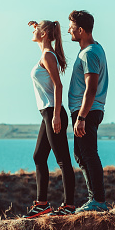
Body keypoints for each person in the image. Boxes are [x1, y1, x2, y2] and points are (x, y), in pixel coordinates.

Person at [21, 20, 76, 219]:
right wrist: (39, 26)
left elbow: (58, 86)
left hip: (54, 113)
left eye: (37, 30)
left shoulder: (47, 55)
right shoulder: (45, 53)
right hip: (47, 113)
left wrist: (55, 117)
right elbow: (42, 40)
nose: (33, 31)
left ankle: (69, 205)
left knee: (63, 160)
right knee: (38, 156)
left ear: (44, 34)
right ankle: (42, 204)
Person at [67, 10, 109, 213]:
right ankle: (95, 199)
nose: (69, 30)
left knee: (88, 154)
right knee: (82, 154)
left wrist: (81, 116)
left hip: (87, 111)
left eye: (72, 27)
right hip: (88, 110)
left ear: (81, 30)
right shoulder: (94, 49)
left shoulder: (90, 53)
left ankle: (98, 201)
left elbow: (91, 88)